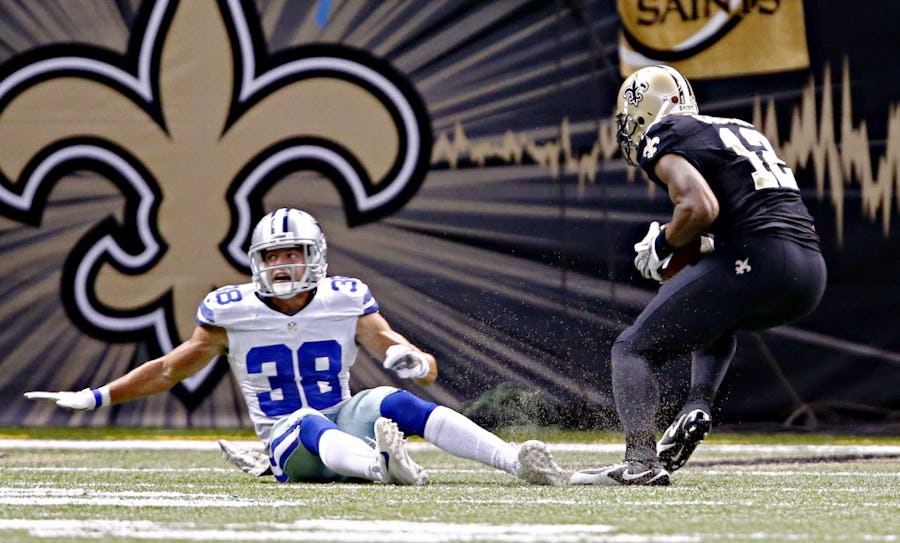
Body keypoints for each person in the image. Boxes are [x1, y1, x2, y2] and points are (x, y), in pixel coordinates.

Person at [26, 207, 565, 486]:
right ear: (257, 261)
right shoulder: (231, 309)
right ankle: (382, 468)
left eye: (293, 253)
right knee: (307, 419)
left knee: (396, 401)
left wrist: (416, 361)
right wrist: (97, 396)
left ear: (316, 256)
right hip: (289, 443)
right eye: (273, 256)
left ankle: (513, 460)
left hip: (343, 420)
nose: (282, 264)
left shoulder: (345, 298)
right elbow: (169, 370)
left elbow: (415, 363)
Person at [571, 65, 827, 486]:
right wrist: (696, 245)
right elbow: (751, 211)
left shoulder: (664, 133)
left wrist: (664, 243)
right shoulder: (738, 129)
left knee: (631, 349)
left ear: (643, 110)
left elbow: (699, 206)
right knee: (715, 315)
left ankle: (640, 462)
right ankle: (696, 405)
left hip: (757, 257)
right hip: (809, 270)